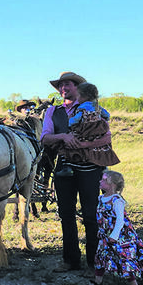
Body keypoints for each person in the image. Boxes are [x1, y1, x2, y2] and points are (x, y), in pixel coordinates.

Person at [40, 71, 113, 273]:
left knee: (91, 214)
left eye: (68, 84)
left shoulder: (94, 109)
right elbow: (45, 138)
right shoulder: (52, 112)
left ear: (77, 88)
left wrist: (83, 144)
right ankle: (70, 260)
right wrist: (64, 137)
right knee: (66, 214)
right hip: (64, 167)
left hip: (91, 168)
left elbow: (107, 137)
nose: (63, 88)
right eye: (60, 85)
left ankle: (94, 261)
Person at [85, 170, 143, 285]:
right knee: (100, 256)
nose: (100, 181)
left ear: (112, 185)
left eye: (104, 180)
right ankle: (98, 280)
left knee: (123, 259)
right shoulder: (101, 198)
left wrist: (114, 236)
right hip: (106, 236)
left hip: (121, 238)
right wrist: (101, 230)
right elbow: (101, 218)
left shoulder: (117, 201)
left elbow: (120, 221)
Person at [57, 82, 120, 174]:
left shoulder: (82, 107)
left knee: (67, 144)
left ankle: (67, 166)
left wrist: (69, 122)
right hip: (98, 131)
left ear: (84, 97)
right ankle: (102, 164)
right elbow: (107, 115)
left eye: (78, 96)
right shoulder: (97, 106)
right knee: (99, 146)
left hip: (85, 130)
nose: (77, 98)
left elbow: (76, 120)